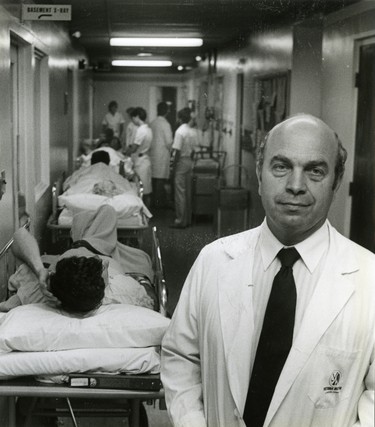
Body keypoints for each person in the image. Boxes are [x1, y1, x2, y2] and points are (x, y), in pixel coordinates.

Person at [161, 114, 375, 427]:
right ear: (260, 176)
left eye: (315, 171)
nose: (295, 186)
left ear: (336, 182)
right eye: (281, 166)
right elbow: (181, 356)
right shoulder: (215, 260)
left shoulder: (369, 278)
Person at [0, 205, 155, 314]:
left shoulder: (38, 291)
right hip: (101, 249)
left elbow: (20, 235)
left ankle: (82, 230)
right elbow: (149, 302)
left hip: (78, 250)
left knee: (102, 216)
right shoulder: (125, 292)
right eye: (103, 268)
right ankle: (85, 228)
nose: (105, 264)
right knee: (108, 212)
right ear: (103, 291)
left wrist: (40, 270)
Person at [170, 107, 197, 228]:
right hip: (190, 162)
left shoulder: (179, 131)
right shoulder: (192, 131)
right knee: (188, 192)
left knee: (180, 192)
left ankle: (180, 220)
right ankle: (188, 220)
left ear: (180, 118)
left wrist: (173, 167)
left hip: (181, 162)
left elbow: (177, 152)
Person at [125, 107, 153, 208]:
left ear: (137, 117)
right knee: (146, 190)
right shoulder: (148, 129)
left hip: (141, 162)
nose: (132, 120)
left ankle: (144, 215)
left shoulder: (141, 130)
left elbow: (134, 147)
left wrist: (126, 153)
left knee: (142, 191)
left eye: (133, 118)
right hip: (144, 160)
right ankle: (147, 215)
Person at [149, 102, 173, 208]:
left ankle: (155, 202)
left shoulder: (152, 123)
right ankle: (159, 204)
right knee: (160, 179)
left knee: (154, 179)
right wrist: (172, 151)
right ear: (166, 111)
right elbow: (169, 142)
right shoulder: (165, 124)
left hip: (153, 154)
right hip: (162, 155)